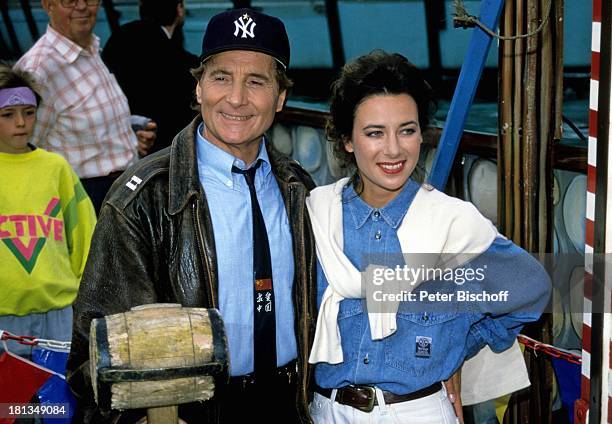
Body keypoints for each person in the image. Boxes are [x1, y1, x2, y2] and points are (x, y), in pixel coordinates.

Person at [66, 8, 316, 424]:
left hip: (289, 404)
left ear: (281, 96)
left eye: (256, 82)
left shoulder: (298, 189)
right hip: (191, 411)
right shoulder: (144, 198)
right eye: (221, 78)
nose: (236, 98)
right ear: (199, 87)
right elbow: (94, 345)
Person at [306, 50, 551, 423]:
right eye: (375, 133)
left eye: (407, 130)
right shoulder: (316, 218)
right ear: (347, 141)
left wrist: (462, 347)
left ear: (422, 135)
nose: (393, 149)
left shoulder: (454, 226)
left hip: (418, 412)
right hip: (326, 412)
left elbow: (532, 288)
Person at [14, 0, 157, 213]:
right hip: (86, 199)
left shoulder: (90, 49)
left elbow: (78, 122)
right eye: (69, 0)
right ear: (48, 5)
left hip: (126, 188)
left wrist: (128, 138)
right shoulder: (38, 70)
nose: (82, 6)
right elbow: (20, 151)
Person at [0, 64, 96, 357]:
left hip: (58, 316)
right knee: (11, 403)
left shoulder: (56, 169)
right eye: (7, 115)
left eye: (29, 112)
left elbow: (85, 235)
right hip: (3, 318)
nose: (21, 123)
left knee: (57, 401)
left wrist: (85, 295)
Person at [102, 0, 198, 153]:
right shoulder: (182, 61)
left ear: (141, 9)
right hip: (164, 154)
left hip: (116, 145)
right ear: (179, 9)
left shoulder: (118, 37)